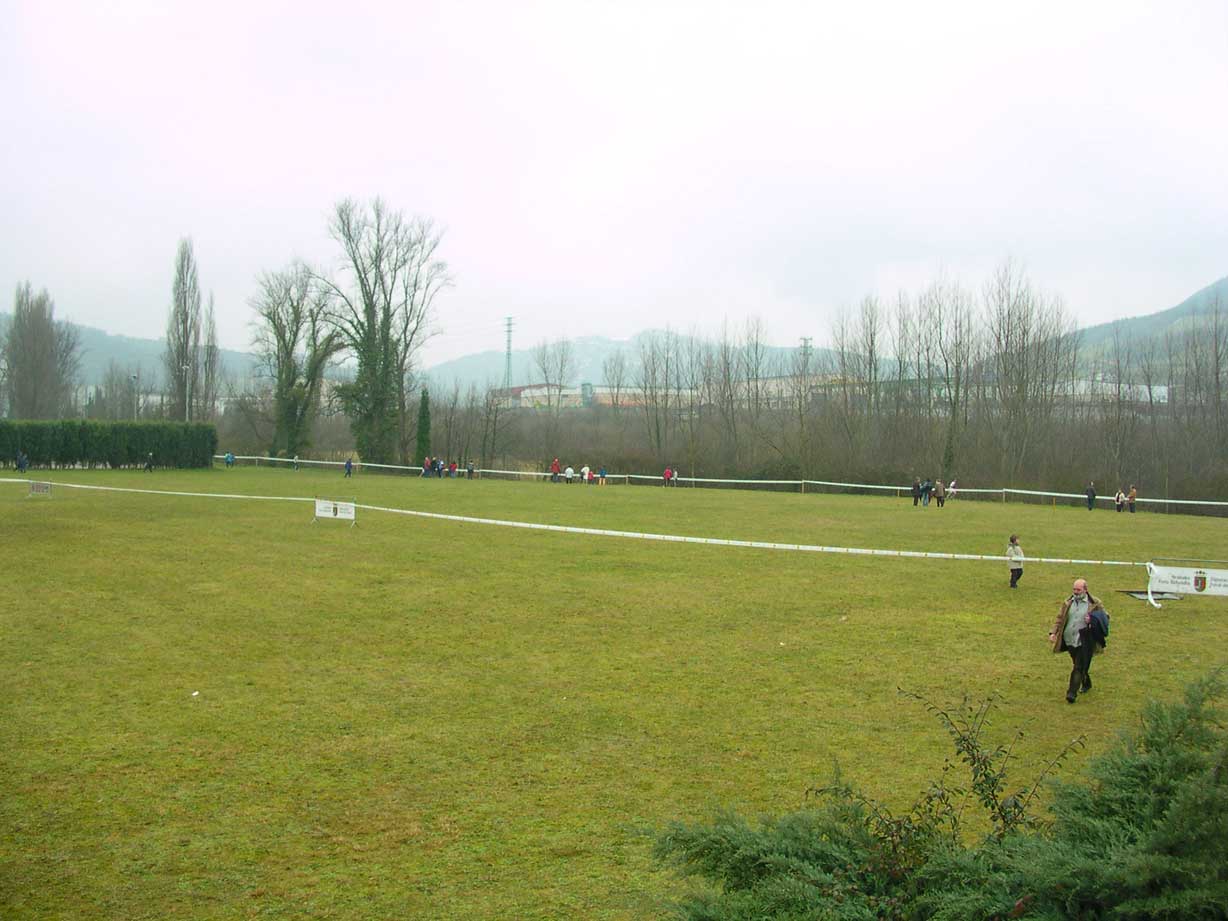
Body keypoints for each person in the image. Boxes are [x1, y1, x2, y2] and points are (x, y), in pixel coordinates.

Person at [1048, 578, 1107, 704]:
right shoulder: (1068, 602)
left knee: (1078, 667)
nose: (1075, 592)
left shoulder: (1095, 603)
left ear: (1085, 590)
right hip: (1070, 639)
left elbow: (1105, 617)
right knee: (1079, 664)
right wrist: (1053, 632)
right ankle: (1086, 682)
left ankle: (1071, 693)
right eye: (1074, 589)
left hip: (1085, 640)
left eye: (1078, 590)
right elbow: (1060, 619)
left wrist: (1092, 620)